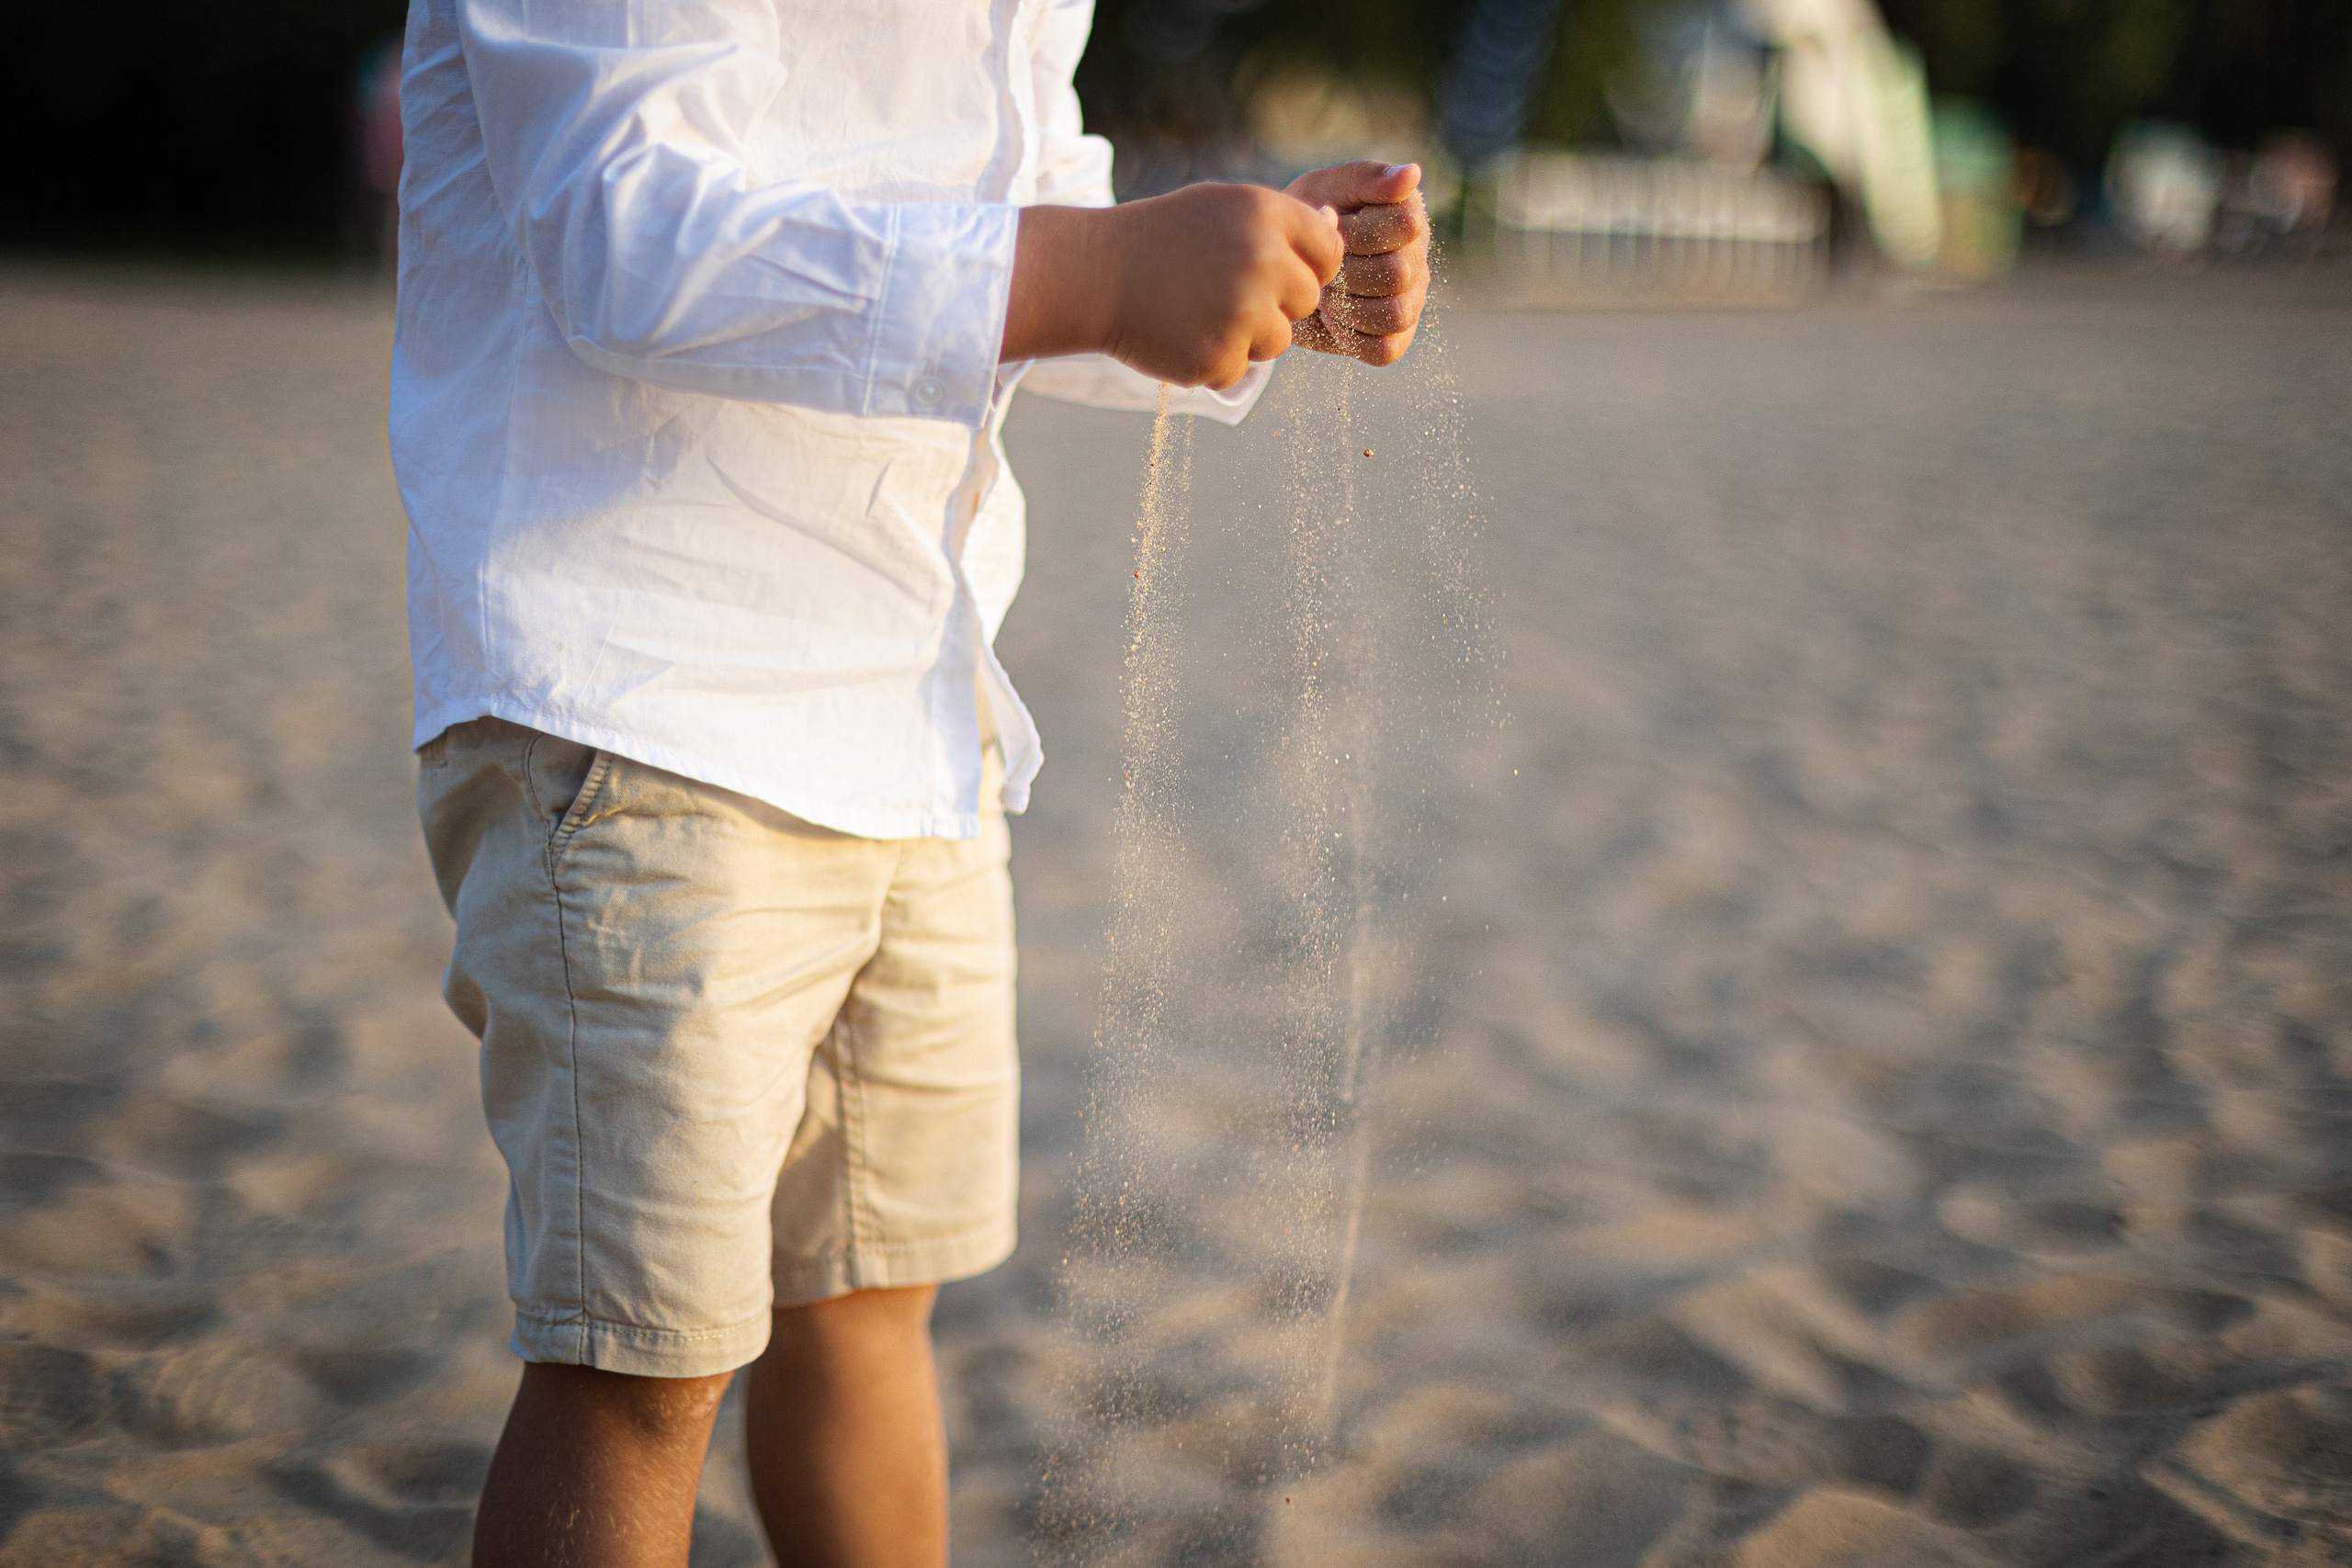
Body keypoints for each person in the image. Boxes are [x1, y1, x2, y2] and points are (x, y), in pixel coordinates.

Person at [388, 0, 1429, 1563]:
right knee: (641, 1364)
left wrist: (1242, 280)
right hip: (641, 693)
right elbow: (623, 227)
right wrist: (1104, 271)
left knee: (875, 1298)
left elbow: (1009, 194)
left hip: (912, 702)